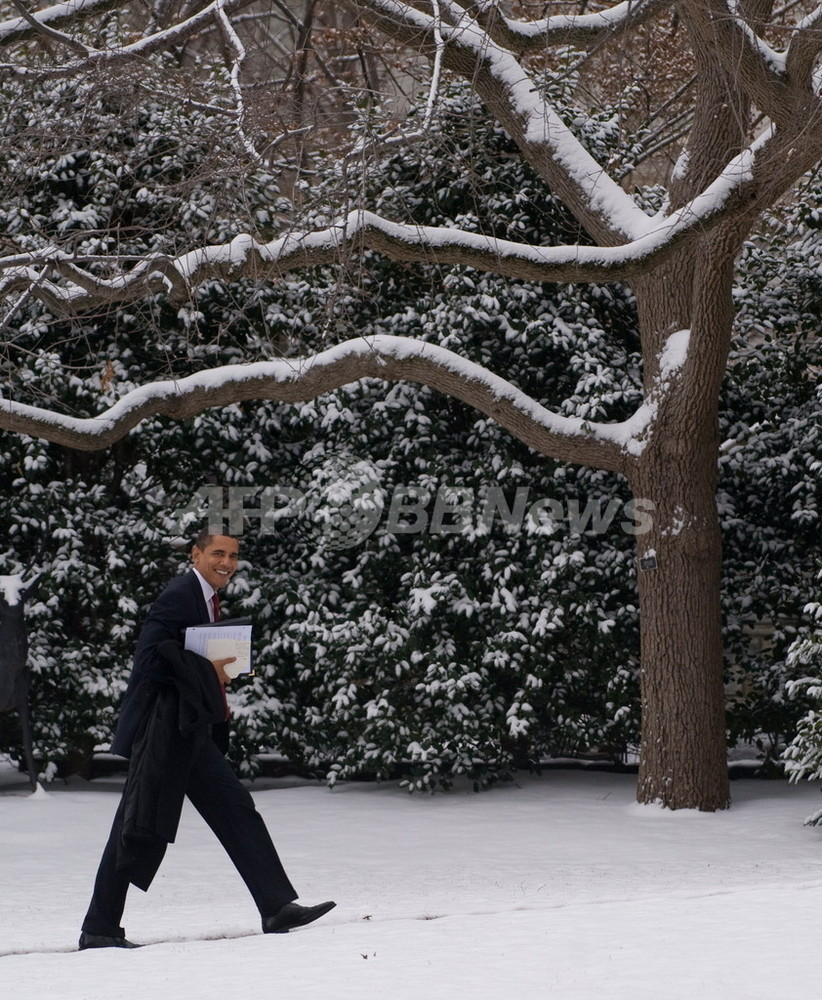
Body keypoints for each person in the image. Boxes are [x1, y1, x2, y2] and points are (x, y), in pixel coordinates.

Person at [79, 529, 335, 950]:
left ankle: (274, 905)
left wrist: (213, 668)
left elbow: (180, 654)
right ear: (196, 554)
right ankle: (100, 928)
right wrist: (208, 670)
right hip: (168, 730)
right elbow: (150, 659)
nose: (227, 562)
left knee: (229, 810)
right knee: (138, 826)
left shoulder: (203, 597)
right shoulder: (180, 594)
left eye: (233, 556)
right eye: (218, 553)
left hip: (185, 729)